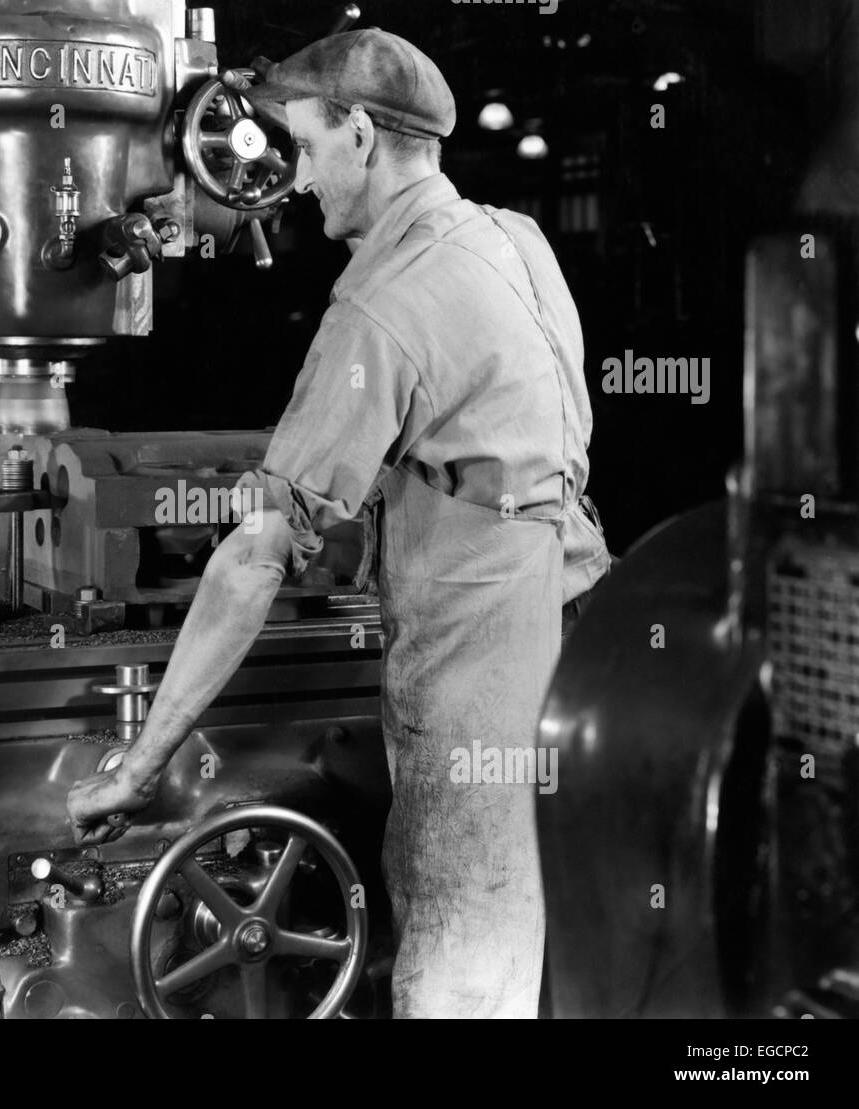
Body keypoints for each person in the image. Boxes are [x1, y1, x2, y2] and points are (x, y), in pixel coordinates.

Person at [67, 28, 611, 1018]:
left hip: (481, 671)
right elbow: (500, 455)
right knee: (547, 954)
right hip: (581, 633)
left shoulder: (380, 308)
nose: (295, 178)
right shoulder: (512, 237)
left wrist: (144, 758)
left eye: (307, 146)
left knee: (460, 967)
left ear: (360, 134)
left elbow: (255, 557)